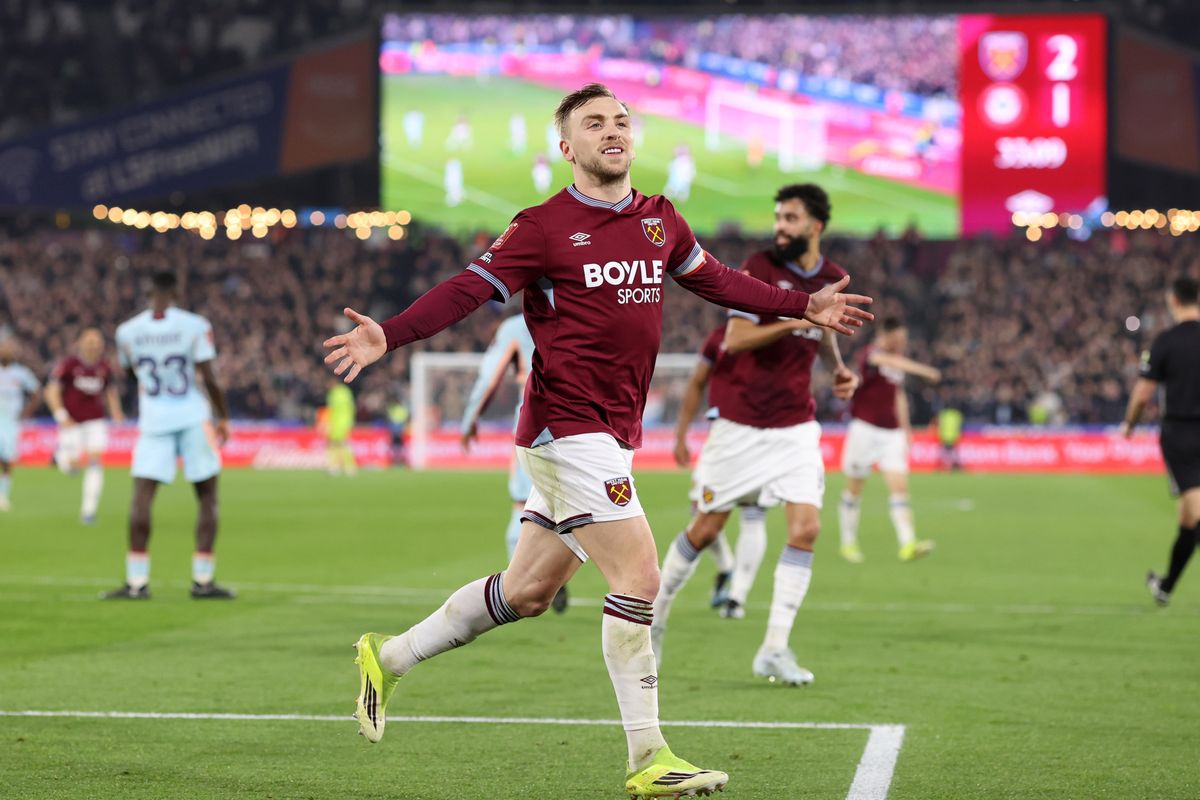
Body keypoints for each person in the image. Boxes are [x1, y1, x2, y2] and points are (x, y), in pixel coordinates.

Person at [323, 83, 872, 798]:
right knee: (638, 576)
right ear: (567, 147)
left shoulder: (659, 221)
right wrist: (389, 333)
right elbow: (468, 288)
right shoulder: (542, 227)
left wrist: (805, 306)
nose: (612, 131)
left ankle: (386, 658)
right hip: (566, 428)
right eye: (594, 123)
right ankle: (648, 756)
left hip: (609, 433)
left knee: (525, 592)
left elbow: (720, 282)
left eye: (620, 121)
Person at [651, 183, 859, 687]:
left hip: (794, 425)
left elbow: (825, 327)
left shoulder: (832, 277)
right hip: (741, 424)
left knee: (806, 529)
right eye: (778, 216)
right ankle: (651, 624)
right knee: (705, 530)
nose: (780, 226)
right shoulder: (758, 266)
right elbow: (738, 338)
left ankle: (773, 648)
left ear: (816, 226)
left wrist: (837, 366)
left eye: (790, 218)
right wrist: (797, 315)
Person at [106, 272, 234, 600]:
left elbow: (131, 371)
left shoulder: (127, 331)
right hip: (193, 415)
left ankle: (137, 584)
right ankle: (202, 582)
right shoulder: (194, 324)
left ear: (147, 291)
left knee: (142, 497)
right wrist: (222, 416)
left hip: (153, 419)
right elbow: (209, 376)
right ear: (175, 291)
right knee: (207, 495)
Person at [459, 312, 569, 612]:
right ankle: (556, 573)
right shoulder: (583, 310)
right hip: (581, 422)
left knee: (522, 505)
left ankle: (519, 584)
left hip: (535, 420)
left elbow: (489, 376)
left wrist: (470, 419)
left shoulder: (515, 327)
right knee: (576, 506)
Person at [672, 325, 764, 613]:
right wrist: (680, 434)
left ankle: (737, 596)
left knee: (752, 514)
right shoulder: (719, 336)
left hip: (760, 438)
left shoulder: (774, 331)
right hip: (725, 438)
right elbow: (697, 382)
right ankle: (728, 569)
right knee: (701, 513)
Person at [1121, 277, 1200, 606]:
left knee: (1195, 511)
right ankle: (1166, 586)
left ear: (1173, 300)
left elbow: (1143, 392)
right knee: (1188, 517)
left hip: (1181, 434)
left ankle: (1166, 586)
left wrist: (1130, 423)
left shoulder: (1166, 341)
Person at [838, 317, 941, 564]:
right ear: (886, 337)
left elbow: (898, 396)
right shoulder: (871, 354)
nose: (902, 344)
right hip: (864, 429)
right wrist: (924, 370)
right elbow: (884, 360)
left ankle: (908, 544)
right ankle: (848, 542)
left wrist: (906, 430)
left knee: (899, 489)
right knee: (855, 488)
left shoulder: (896, 363)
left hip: (891, 433)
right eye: (899, 339)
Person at [45, 328, 125, 523]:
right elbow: (51, 390)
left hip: (95, 422)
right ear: (80, 343)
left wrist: (116, 412)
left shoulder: (105, 367)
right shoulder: (69, 365)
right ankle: (60, 457)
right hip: (72, 423)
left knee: (95, 462)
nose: (94, 346)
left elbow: (110, 392)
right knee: (72, 468)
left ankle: (88, 512)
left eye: (97, 342)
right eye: (90, 342)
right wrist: (60, 415)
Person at [0, 339, 41, 512]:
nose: (6, 353)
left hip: (11, 423)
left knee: (7, 460)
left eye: (9, 350)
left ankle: (3, 495)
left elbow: (37, 392)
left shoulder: (21, 373)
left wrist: (27, 412)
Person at [324, 378, 358, 476]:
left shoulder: (333, 393)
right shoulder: (346, 391)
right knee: (342, 444)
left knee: (336, 444)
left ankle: (336, 467)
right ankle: (348, 467)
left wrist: (327, 423)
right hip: (346, 422)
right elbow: (352, 407)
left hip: (336, 423)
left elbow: (331, 410)